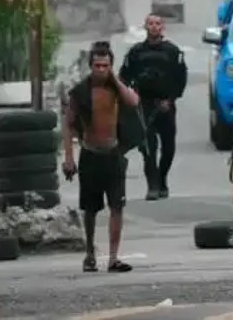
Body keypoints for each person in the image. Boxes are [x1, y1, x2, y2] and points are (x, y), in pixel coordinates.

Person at [63, 42, 143, 273]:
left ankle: (113, 258)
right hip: (90, 154)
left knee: (117, 206)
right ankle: (89, 253)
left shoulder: (116, 89)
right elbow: (68, 124)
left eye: (105, 66)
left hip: (113, 154)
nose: (101, 70)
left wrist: (114, 79)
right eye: (97, 65)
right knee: (90, 209)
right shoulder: (81, 92)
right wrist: (69, 158)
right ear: (90, 66)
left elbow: (133, 101)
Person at [120, 14, 189, 200]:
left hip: (166, 105)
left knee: (168, 148)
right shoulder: (136, 52)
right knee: (148, 148)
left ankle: (162, 179)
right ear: (145, 26)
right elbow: (124, 77)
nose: (154, 27)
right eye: (150, 23)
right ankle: (152, 185)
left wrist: (171, 99)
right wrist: (130, 96)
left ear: (162, 27)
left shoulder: (172, 51)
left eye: (157, 23)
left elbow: (181, 78)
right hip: (144, 105)